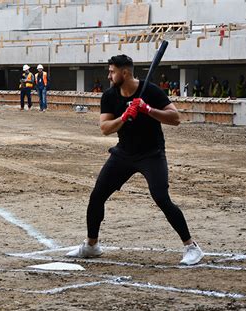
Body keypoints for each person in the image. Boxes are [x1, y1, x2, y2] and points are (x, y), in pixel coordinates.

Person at [66, 54, 204, 265]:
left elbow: (175, 119)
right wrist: (124, 116)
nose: (109, 75)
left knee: (161, 197)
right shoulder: (110, 96)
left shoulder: (150, 91)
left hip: (151, 153)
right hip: (123, 153)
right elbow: (104, 128)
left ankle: (191, 247)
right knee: (97, 196)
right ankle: (91, 245)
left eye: (112, 71)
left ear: (125, 72)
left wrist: (147, 109)